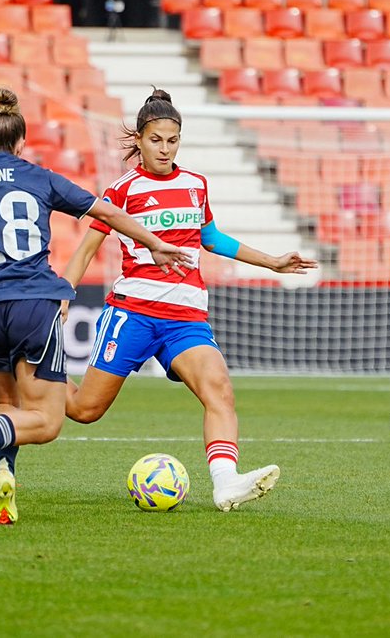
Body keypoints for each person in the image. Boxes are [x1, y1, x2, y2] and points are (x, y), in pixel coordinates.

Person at [0, 88, 190, 525]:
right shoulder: (38, 177)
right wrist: (156, 244)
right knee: (46, 423)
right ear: (22, 142)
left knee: (5, 406)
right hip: (34, 304)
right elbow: (107, 214)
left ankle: (3, 478)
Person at [61, 89, 318, 512]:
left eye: (172, 140)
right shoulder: (123, 190)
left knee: (220, 390)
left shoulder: (195, 184)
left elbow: (211, 238)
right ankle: (26, 368)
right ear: (140, 141)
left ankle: (225, 483)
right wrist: (65, 293)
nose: (165, 148)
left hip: (186, 316)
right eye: (156, 139)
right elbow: (89, 247)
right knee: (85, 410)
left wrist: (271, 262)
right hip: (133, 312)